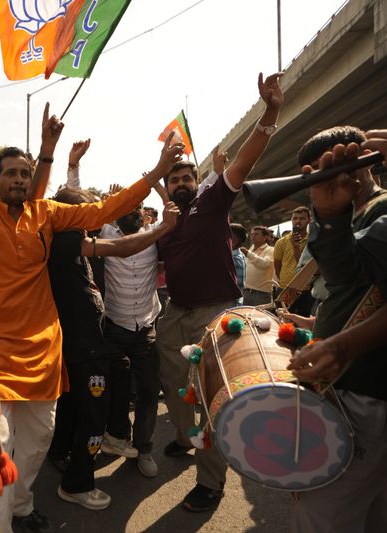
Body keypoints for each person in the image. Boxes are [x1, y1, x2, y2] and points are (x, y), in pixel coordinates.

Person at [0, 96, 185, 533]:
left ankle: (20, 505)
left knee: (37, 442)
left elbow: (105, 210)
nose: (17, 179)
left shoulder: (48, 215)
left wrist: (155, 173)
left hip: (43, 350)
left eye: (23, 172)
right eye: (9, 173)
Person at [288, 120, 387, 530]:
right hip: (357, 384)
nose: (333, 174)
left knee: (317, 509)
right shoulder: (369, 210)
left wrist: (342, 347)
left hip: (369, 385)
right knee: (369, 506)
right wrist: (331, 212)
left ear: (364, 161)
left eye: (336, 164)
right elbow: (349, 273)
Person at [155, 72, 284, 512]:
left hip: (216, 315)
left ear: (199, 180)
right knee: (174, 387)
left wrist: (270, 113)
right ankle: (183, 438)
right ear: (166, 188)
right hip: (174, 315)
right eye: (173, 180)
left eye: (186, 176)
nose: (180, 183)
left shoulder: (212, 203)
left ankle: (210, 483)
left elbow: (244, 162)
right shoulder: (166, 225)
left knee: (210, 396)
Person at [48, 189, 180, 509]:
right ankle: (83, 472)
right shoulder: (78, 239)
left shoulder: (77, 241)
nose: (92, 214)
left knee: (136, 385)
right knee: (93, 407)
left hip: (126, 333)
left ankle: (129, 444)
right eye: (85, 210)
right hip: (96, 338)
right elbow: (121, 246)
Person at [98, 200, 168, 478]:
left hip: (146, 330)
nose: (130, 212)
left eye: (135, 207)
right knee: (116, 391)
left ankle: (144, 448)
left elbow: (182, 214)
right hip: (114, 328)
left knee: (149, 392)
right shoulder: (105, 235)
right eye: (123, 207)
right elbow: (80, 212)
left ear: (143, 214)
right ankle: (118, 439)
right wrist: (73, 165)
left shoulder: (155, 235)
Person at [273, 206, 315, 315]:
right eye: (295, 218)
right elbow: (277, 266)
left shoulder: (313, 241)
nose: (298, 221)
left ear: (309, 221)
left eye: (302, 218)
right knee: (282, 321)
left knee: (302, 323)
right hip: (286, 288)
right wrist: (285, 279)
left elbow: (304, 266)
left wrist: (296, 247)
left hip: (306, 288)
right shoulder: (281, 242)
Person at [240, 225, 274, 306]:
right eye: (252, 234)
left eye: (256, 234)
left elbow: (265, 264)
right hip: (246, 291)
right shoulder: (250, 250)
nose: (253, 236)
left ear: (265, 237)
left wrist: (248, 254)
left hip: (261, 294)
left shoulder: (271, 250)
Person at [230, 223, 248, 305]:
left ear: (234, 239)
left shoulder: (235, 258)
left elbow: (237, 286)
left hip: (230, 304)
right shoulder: (236, 255)